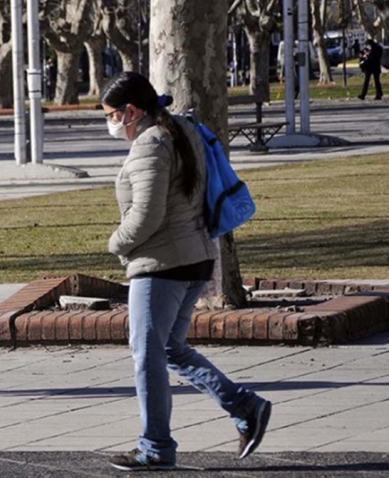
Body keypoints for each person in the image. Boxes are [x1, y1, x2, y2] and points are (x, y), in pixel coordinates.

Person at [100, 72, 272, 470]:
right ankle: (245, 405)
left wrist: (115, 243)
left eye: (111, 115)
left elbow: (146, 216)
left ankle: (155, 447)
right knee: (170, 349)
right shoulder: (181, 127)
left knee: (147, 357)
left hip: (161, 266)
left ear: (131, 111)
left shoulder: (149, 145)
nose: (110, 123)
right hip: (195, 257)